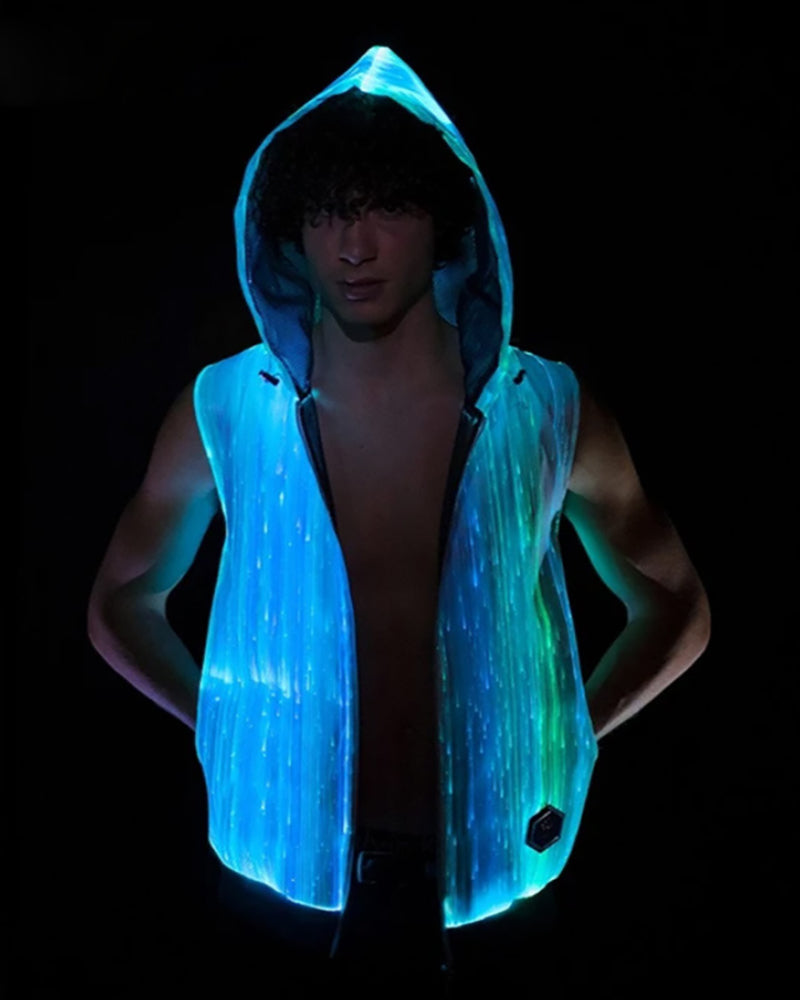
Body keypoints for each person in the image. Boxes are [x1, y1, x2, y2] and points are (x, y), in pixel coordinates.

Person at [87, 46, 711, 992]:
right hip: (279, 883)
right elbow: (120, 601)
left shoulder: (547, 407)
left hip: (505, 882)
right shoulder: (224, 408)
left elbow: (676, 601)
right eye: (325, 211)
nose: (354, 245)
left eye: (387, 206)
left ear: (448, 221)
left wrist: (571, 733)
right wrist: (225, 720)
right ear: (287, 231)